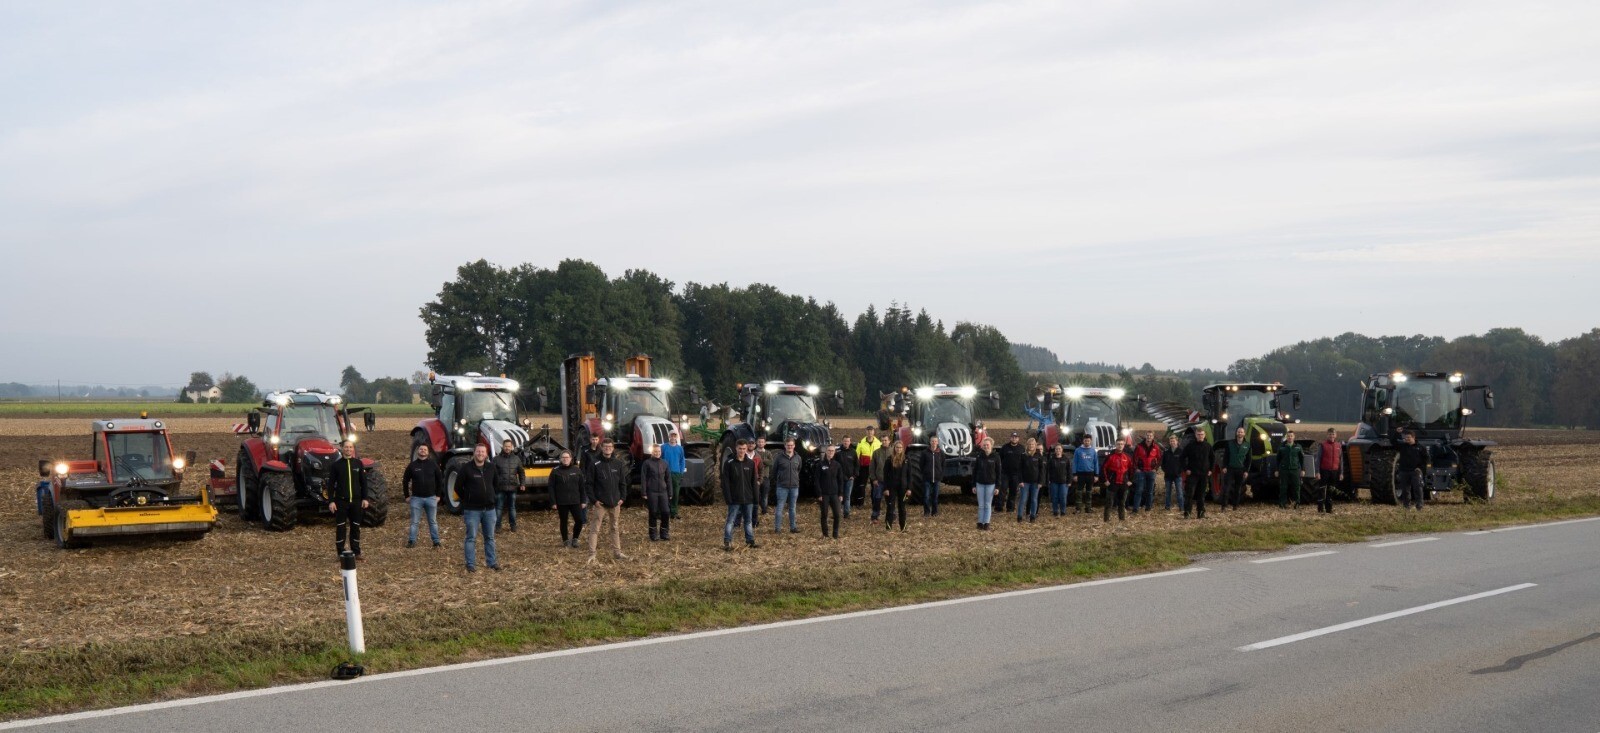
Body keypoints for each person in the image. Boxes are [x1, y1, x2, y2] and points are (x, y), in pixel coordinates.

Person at [584, 440, 629, 563]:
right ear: (601, 448)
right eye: (605, 447)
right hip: (600, 504)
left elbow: (623, 483)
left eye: (610, 447)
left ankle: (617, 552)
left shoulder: (618, 464)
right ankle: (592, 554)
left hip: (615, 503)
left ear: (613, 448)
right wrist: (594, 501)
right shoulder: (595, 464)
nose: (608, 448)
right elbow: (589, 484)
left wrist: (622, 498)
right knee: (595, 529)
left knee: (614, 527)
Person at [458, 444, 499, 572]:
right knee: (471, 537)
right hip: (472, 510)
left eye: (483, 452)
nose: (480, 454)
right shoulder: (466, 468)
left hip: (489, 510)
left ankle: (491, 562)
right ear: (474, 453)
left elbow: (496, 484)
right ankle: (470, 564)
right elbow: (458, 487)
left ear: (486, 454)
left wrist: (492, 496)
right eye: (478, 451)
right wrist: (468, 498)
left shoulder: (491, 467)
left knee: (490, 537)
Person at [327, 440, 370, 559]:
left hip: (356, 501)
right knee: (341, 527)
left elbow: (364, 483)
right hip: (341, 501)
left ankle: (356, 552)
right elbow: (330, 485)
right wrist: (331, 501)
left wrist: (365, 498)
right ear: (342, 449)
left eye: (350, 447)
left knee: (355, 527)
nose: (348, 449)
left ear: (353, 449)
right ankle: (340, 552)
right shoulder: (336, 465)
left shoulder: (358, 464)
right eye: (346, 447)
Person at [402, 443, 442, 549]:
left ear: (428, 452)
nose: (423, 451)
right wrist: (407, 496)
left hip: (431, 498)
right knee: (414, 521)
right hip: (416, 498)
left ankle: (436, 542)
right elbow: (405, 481)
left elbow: (440, 480)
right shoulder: (412, 466)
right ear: (418, 451)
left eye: (425, 449)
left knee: (433, 521)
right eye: (421, 449)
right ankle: (411, 541)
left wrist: (438, 495)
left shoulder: (433, 465)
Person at [722, 439, 760, 550]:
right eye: (740, 448)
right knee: (731, 520)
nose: (742, 451)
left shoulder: (751, 463)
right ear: (736, 448)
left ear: (746, 448)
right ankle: (727, 541)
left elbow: (754, 482)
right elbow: (725, 483)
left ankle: (750, 540)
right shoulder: (729, 463)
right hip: (734, 498)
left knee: (748, 521)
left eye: (744, 449)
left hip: (748, 498)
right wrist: (728, 498)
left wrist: (755, 497)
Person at [549, 450, 586, 548]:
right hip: (562, 501)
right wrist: (553, 502)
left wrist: (583, 500)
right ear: (560, 459)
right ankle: (565, 540)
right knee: (563, 521)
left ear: (571, 459)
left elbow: (582, 487)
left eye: (567, 457)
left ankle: (575, 539)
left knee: (579, 520)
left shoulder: (577, 470)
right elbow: (551, 487)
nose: (565, 459)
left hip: (575, 500)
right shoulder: (555, 471)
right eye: (563, 457)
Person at [770, 438, 802, 534]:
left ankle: (793, 527)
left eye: (791, 445)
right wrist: (780, 480)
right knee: (780, 507)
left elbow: (798, 469)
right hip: (782, 487)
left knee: (792, 508)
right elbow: (774, 471)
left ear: (794, 446)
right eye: (788, 445)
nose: (790, 447)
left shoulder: (798, 458)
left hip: (794, 487)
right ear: (785, 446)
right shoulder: (779, 457)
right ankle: (778, 528)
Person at [1182, 428, 1214, 519]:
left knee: (1201, 495)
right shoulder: (1190, 446)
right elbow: (1182, 458)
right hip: (1192, 474)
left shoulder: (1208, 446)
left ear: (1204, 435)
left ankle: (1201, 513)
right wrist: (1186, 469)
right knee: (1190, 494)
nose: (1200, 436)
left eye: (1202, 434)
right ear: (1195, 435)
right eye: (1198, 434)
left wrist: (1211, 470)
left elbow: (1212, 458)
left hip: (1204, 475)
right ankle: (1187, 513)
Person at [492, 439, 523, 532]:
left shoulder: (516, 459)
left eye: (509, 446)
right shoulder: (496, 459)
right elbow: (492, 473)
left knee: (512, 508)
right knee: (499, 508)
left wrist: (522, 483)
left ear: (512, 447)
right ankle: (497, 526)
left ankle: (513, 526)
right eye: (505, 446)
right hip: (500, 487)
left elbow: (521, 472)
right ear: (503, 446)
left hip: (513, 487)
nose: (507, 448)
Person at [881, 440, 912, 531]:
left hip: (903, 487)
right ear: (894, 448)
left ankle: (903, 527)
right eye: (897, 447)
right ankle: (888, 527)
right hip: (891, 488)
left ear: (903, 449)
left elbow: (909, 475)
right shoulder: (889, 460)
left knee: (902, 508)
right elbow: (885, 475)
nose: (899, 449)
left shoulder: (907, 459)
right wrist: (885, 488)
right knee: (890, 507)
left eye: (900, 447)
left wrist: (909, 488)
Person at [642, 444, 671, 541]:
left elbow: (668, 479)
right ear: (652, 452)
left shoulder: (665, 463)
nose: (657, 453)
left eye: (659, 451)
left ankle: (664, 533)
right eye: (655, 451)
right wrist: (644, 492)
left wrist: (670, 492)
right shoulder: (647, 463)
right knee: (653, 512)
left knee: (666, 512)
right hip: (652, 491)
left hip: (663, 492)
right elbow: (644, 479)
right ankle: (653, 534)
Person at [972, 437, 1001, 530]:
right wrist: (973, 485)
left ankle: (986, 523)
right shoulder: (979, 456)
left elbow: (999, 472)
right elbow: (975, 471)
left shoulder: (996, 457)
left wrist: (997, 486)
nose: (986, 446)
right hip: (979, 484)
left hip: (991, 484)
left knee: (988, 504)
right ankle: (980, 522)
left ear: (991, 445)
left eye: (987, 445)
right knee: (981, 504)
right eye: (984, 445)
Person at [1395, 431, 1428, 510]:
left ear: (1413, 438)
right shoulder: (1402, 447)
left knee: (1417, 489)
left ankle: (1419, 506)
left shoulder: (1420, 447)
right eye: (1406, 438)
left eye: (1408, 437)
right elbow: (1393, 442)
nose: (1407, 439)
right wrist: (1397, 433)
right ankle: (1406, 506)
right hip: (1404, 471)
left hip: (1415, 472)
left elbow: (1426, 459)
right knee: (1405, 490)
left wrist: (1420, 468)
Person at [816, 444, 844, 539]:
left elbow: (840, 480)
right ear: (826, 452)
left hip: (834, 494)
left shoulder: (837, 465)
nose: (830, 452)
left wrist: (840, 493)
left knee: (837, 514)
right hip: (824, 494)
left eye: (832, 451)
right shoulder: (820, 464)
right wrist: (819, 493)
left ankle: (835, 534)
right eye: (829, 450)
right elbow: (816, 480)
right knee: (824, 514)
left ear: (834, 452)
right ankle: (825, 534)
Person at [1102, 442, 1132, 523]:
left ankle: (1121, 520)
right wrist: (1106, 480)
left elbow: (1132, 469)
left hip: (1123, 483)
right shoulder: (1110, 456)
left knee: (1122, 504)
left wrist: (1130, 480)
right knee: (1109, 503)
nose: (1120, 446)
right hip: (1112, 483)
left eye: (1122, 444)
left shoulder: (1127, 457)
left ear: (1124, 445)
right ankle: (1106, 520)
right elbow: (1103, 468)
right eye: (1118, 444)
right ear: (1115, 445)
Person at [1132, 432, 1162, 514]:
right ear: (1145, 436)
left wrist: (1155, 469)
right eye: (1147, 435)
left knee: (1150, 491)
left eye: (1150, 436)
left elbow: (1160, 459)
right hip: (1141, 471)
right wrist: (1136, 468)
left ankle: (1148, 508)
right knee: (1139, 490)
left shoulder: (1156, 447)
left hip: (1151, 472)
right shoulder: (1139, 446)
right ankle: (1135, 509)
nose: (1149, 437)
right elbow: (1134, 458)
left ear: (1153, 437)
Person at [1222, 427, 1251, 510]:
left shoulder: (1247, 445)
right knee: (1227, 488)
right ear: (1236, 433)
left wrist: (1246, 471)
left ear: (1244, 434)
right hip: (1230, 469)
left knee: (1238, 489)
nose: (1240, 433)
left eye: (1241, 432)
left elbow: (1248, 459)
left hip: (1240, 469)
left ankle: (1235, 506)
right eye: (1238, 432)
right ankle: (1224, 506)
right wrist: (1224, 466)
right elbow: (1226, 456)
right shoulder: (1230, 443)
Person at [1016, 437, 1044, 523]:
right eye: (1030, 444)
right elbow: (1019, 469)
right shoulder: (1023, 455)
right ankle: (1020, 516)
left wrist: (1040, 481)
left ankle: (1032, 516)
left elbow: (1041, 470)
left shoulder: (1038, 456)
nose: (1031, 446)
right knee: (1023, 499)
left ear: (1035, 445)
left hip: (1035, 482)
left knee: (1034, 500)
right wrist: (1020, 481)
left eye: (1033, 444)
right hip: (1025, 482)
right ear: (1027, 445)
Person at [1316, 428, 1343, 514]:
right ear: (1327, 435)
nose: (1332, 436)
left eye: (1333, 434)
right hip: (1324, 471)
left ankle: (1329, 508)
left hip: (1334, 471)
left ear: (1336, 435)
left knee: (1331, 490)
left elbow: (1341, 461)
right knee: (1322, 490)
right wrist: (1317, 472)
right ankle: (1320, 508)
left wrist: (1341, 473)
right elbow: (1318, 459)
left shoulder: (1339, 445)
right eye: (1330, 434)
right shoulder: (1322, 445)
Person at [1071, 435, 1099, 515]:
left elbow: (1096, 463)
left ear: (1091, 441)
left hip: (1090, 474)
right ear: (1083, 441)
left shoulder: (1093, 451)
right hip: (1080, 474)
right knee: (1079, 492)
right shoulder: (1078, 450)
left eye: (1088, 441)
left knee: (1089, 492)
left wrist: (1096, 475)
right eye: (1085, 440)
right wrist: (1075, 474)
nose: (1087, 442)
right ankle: (1078, 509)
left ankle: (1088, 508)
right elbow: (1075, 462)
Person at [854, 428, 881, 510]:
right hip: (864, 467)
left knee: (875, 485)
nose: (870, 433)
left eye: (871, 431)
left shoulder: (878, 443)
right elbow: (857, 455)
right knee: (862, 485)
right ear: (866, 432)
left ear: (873, 432)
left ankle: (875, 503)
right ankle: (860, 503)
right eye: (868, 431)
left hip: (874, 467)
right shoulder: (861, 443)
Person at [998, 433, 1026, 513]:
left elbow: (1023, 461)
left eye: (1016, 437)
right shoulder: (1005, 447)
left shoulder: (1021, 448)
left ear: (1018, 439)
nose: (1014, 439)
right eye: (1013, 437)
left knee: (1013, 492)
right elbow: (1000, 458)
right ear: (1010, 438)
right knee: (1002, 491)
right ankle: (999, 508)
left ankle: (1010, 508)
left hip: (1016, 474)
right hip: (1005, 473)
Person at [662, 430, 687, 520]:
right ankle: (665, 511)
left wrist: (681, 472)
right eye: (671, 436)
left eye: (674, 436)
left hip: (676, 473)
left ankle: (674, 512)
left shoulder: (680, 448)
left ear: (677, 437)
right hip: (665, 473)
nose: (673, 437)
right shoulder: (664, 447)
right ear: (669, 436)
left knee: (675, 493)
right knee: (666, 493)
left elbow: (682, 461)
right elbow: (660, 460)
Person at [1277, 431, 1305, 509]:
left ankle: (1297, 503)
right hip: (1284, 470)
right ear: (1286, 437)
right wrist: (1277, 470)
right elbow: (1278, 459)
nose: (1290, 437)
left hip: (1295, 470)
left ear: (1294, 437)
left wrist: (1303, 470)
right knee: (1283, 487)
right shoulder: (1282, 446)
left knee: (1296, 487)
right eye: (1288, 436)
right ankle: (1282, 504)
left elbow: (1302, 459)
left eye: (1291, 436)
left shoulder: (1298, 447)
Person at [870, 438, 894, 523]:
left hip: (890, 481)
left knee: (890, 500)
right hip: (879, 480)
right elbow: (872, 467)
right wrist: (874, 479)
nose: (884, 442)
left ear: (889, 441)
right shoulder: (876, 452)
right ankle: (875, 516)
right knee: (877, 499)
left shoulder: (893, 452)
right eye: (883, 440)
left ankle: (892, 515)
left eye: (886, 440)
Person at [1045, 442, 1073, 517]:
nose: (1058, 450)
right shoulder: (1051, 460)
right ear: (1055, 450)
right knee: (1054, 497)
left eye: (1059, 449)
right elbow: (1048, 471)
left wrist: (1069, 481)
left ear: (1062, 450)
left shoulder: (1066, 459)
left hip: (1064, 482)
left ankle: (1063, 511)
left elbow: (1069, 471)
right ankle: (1055, 511)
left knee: (1063, 497)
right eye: (1057, 449)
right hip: (1054, 482)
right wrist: (1048, 480)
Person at [1160, 434, 1185, 512]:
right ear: (1169, 442)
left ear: (1177, 441)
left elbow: (1184, 463)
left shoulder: (1181, 451)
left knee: (1179, 492)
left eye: (1173, 441)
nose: (1172, 442)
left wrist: (1180, 471)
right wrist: (1166, 470)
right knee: (1168, 493)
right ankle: (1167, 507)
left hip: (1177, 476)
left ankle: (1181, 507)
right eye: (1171, 441)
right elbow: (1162, 463)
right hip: (1168, 476)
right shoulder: (1166, 452)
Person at [921, 436, 945, 516]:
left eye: (935, 441)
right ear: (930, 442)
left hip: (937, 478)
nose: (934, 443)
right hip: (927, 478)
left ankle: (934, 512)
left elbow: (943, 464)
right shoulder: (924, 453)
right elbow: (921, 465)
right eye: (932, 441)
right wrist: (924, 473)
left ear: (937, 442)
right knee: (926, 496)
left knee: (935, 497)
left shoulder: (941, 453)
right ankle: (927, 512)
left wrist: (940, 474)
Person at [838, 434, 857, 516]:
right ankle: (837, 512)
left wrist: (854, 475)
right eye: (845, 441)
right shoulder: (838, 452)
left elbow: (857, 465)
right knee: (838, 495)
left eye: (848, 441)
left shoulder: (853, 452)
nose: (846, 443)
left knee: (847, 496)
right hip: (839, 478)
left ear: (850, 442)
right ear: (842, 441)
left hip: (850, 478)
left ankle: (846, 512)